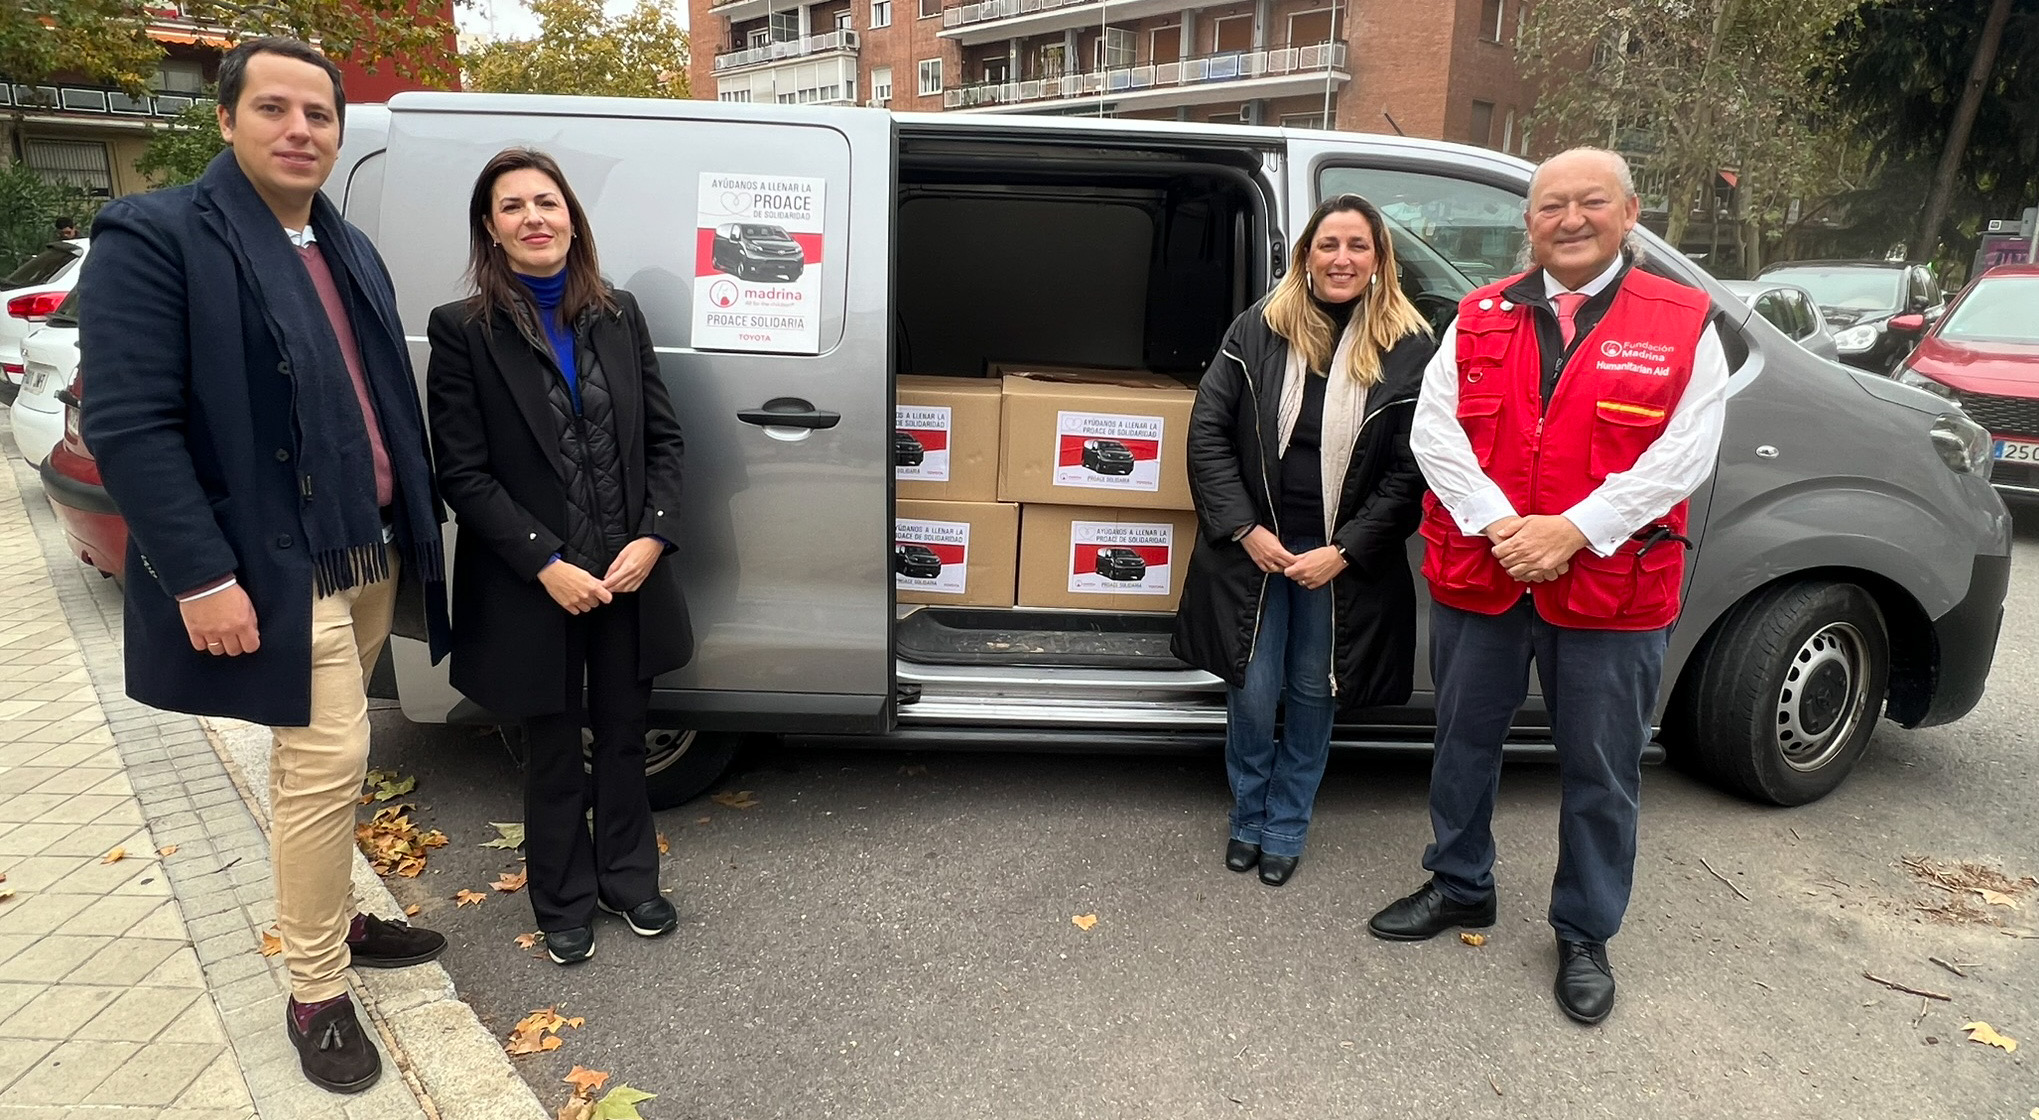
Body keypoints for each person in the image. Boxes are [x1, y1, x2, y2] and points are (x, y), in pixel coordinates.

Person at [77, 37, 452, 1095]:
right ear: (227, 120)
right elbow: (129, 423)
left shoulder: (342, 245)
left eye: (319, 114)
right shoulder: (155, 233)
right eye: (275, 109)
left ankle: (328, 915)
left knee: (338, 754)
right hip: (277, 561)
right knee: (323, 765)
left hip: (365, 543)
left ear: (339, 131)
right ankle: (316, 985)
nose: (300, 130)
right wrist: (199, 577)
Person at [1367, 148, 1728, 1025]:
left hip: (1611, 588)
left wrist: (1573, 529)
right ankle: (1459, 884)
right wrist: (1502, 527)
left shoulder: (1683, 321)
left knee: (1602, 769)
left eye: (1589, 202)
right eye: (1549, 206)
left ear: (1629, 210)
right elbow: (1437, 433)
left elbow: (1683, 452)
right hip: (1485, 574)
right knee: (1461, 745)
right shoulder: (1479, 314)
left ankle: (1583, 931)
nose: (1569, 219)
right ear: (1527, 223)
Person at [427, 148, 691, 967]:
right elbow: (461, 473)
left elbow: (665, 441)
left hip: (626, 572)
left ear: (570, 216)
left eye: (546, 202)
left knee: (621, 734)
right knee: (552, 746)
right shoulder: (461, 329)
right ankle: (563, 898)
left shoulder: (619, 313)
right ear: (490, 228)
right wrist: (545, 562)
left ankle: (628, 878)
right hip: (533, 582)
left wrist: (652, 534)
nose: (532, 218)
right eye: (512, 207)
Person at [1173, 194, 1435, 887]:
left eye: (1356, 245)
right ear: (1306, 256)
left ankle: (1286, 823)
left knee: (1312, 691)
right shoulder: (1258, 328)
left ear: (1378, 258)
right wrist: (1243, 528)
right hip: (1255, 549)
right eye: (1328, 245)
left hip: (1336, 559)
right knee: (1252, 692)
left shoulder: (1410, 346)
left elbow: (1412, 470)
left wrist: (1345, 550)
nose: (1341, 258)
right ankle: (1247, 815)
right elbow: (1206, 436)